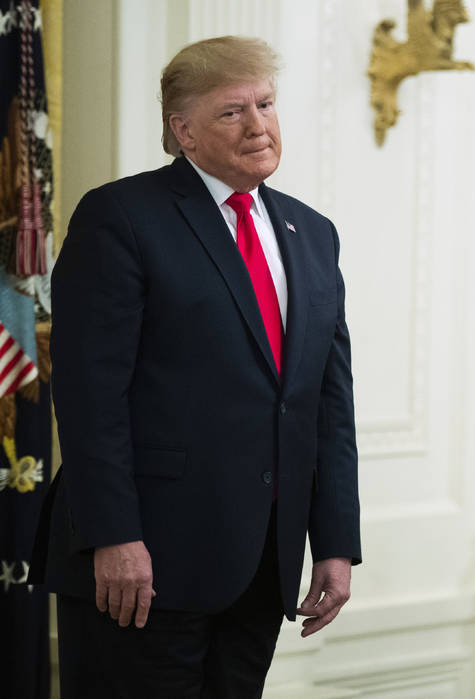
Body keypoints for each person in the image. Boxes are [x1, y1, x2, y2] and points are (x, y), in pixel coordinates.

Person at [29, 36, 360, 697]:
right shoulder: (121, 217)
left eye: (265, 103)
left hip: (261, 566)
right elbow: (92, 396)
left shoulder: (312, 232)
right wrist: (114, 535)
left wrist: (335, 540)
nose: (259, 124)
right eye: (232, 111)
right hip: (141, 566)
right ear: (183, 130)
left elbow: (326, 402)